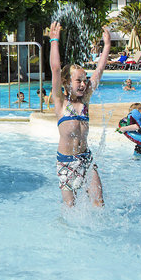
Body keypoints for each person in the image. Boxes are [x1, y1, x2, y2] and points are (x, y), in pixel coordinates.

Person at [50, 21, 112, 207]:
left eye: (85, 80)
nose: (83, 84)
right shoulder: (60, 102)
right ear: (67, 82)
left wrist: (107, 45)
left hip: (85, 159)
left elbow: (99, 70)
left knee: (99, 202)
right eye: (78, 81)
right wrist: (54, 41)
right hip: (66, 163)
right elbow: (55, 69)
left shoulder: (85, 101)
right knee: (70, 208)